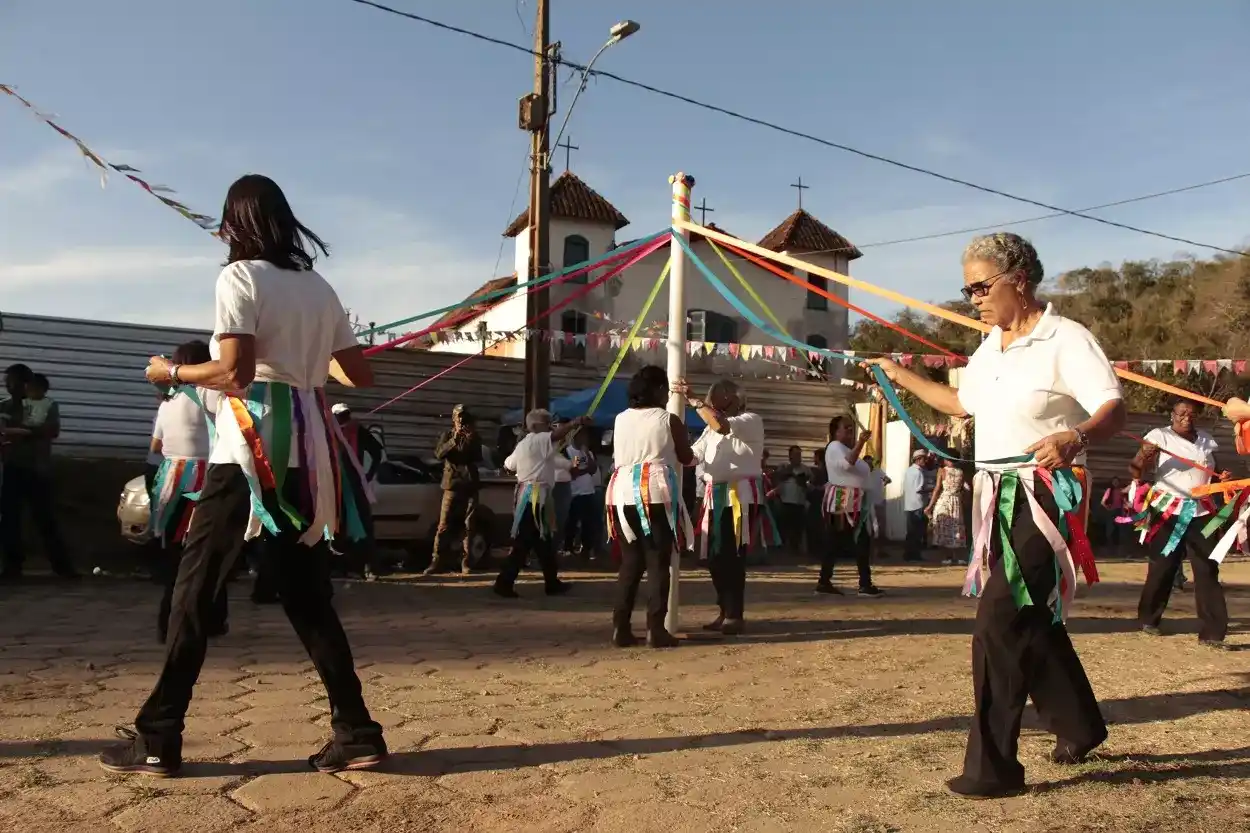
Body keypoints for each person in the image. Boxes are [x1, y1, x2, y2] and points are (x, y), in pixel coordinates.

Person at [99, 174, 385, 778]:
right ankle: (357, 731)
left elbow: (235, 373)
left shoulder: (239, 277)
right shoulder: (319, 287)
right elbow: (359, 375)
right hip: (309, 454)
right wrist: (310, 353)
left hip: (248, 454)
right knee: (307, 597)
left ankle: (157, 736)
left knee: (195, 590)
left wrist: (171, 373)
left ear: (234, 223)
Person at [864, 231, 1124, 799]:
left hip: (1046, 496)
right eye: (968, 289)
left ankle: (993, 769)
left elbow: (1113, 407)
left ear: (1019, 281)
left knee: (999, 621)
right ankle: (1081, 725)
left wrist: (1075, 436)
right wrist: (895, 373)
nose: (973, 298)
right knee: (1029, 614)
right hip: (997, 496)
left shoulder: (1066, 339)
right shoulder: (989, 348)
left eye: (981, 287)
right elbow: (960, 404)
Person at [1128, 400, 1229, 649]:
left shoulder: (1206, 439)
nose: (1187, 417)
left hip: (1201, 511)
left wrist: (1223, 477)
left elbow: (1215, 470)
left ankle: (1213, 632)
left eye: (1192, 414)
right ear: (1172, 415)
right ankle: (1148, 618)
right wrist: (1144, 456)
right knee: (1163, 565)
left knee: (1207, 568)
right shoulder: (1159, 436)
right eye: (1182, 413)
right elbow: (1135, 470)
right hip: (1168, 510)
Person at [676, 379, 773, 635]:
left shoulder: (750, 420)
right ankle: (725, 609)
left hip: (739, 496)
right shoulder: (708, 429)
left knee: (731, 555)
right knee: (714, 557)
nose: (709, 399)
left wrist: (694, 400)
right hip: (714, 495)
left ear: (732, 398)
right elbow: (692, 456)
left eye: (714, 395)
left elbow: (722, 425)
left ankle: (734, 614)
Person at [606, 366, 694, 648]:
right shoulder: (669, 420)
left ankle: (620, 628)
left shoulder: (620, 418)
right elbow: (686, 457)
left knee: (630, 563)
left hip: (621, 493)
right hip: (655, 491)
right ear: (657, 390)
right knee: (657, 563)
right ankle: (656, 629)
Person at [148, 340, 227, 643]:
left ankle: (166, 622)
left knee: (174, 553)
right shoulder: (211, 395)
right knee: (208, 550)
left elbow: (156, 446)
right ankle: (212, 619)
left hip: (170, 477)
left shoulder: (167, 402)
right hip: (205, 477)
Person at [493, 410, 587, 598]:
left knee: (543, 542)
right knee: (525, 542)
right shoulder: (538, 440)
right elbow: (556, 437)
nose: (551, 427)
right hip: (534, 497)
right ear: (536, 426)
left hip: (531, 496)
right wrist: (575, 422)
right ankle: (504, 582)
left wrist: (570, 465)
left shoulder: (526, 445)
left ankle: (551, 582)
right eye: (547, 423)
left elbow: (509, 465)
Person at [0, 363, 76, 580]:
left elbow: (52, 430)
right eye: (7, 382)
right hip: (12, 468)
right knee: (10, 520)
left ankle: (62, 567)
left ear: (26, 383)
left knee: (45, 519)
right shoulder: (5, 406)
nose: (9, 386)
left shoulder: (46, 405)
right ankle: (13, 567)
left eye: (13, 381)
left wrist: (21, 433)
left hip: (37, 469)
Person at [819, 415, 882, 596]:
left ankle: (826, 581)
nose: (850, 430)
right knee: (856, 539)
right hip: (843, 497)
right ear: (835, 431)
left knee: (840, 539)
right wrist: (861, 442)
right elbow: (847, 465)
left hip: (851, 498)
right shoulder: (835, 446)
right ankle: (863, 583)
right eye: (845, 427)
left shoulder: (844, 448)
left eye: (851, 427)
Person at [324, 403, 384, 581]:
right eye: (340, 415)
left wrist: (368, 475)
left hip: (355, 486)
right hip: (334, 486)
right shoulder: (328, 432)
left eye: (346, 414)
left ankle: (368, 568)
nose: (344, 417)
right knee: (336, 527)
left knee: (363, 525)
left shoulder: (357, 431)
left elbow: (376, 452)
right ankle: (338, 567)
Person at [428, 404, 483, 575]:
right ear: (453, 418)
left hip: (469, 484)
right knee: (443, 525)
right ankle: (437, 560)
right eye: (458, 417)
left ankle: (465, 561)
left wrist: (470, 438)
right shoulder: (447, 435)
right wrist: (454, 440)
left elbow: (477, 457)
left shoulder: (474, 436)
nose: (460, 420)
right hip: (451, 485)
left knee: (469, 525)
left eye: (463, 417)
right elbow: (439, 454)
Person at [563, 430, 601, 557]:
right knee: (572, 522)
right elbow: (573, 472)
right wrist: (585, 470)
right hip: (575, 493)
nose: (584, 440)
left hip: (588, 492)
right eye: (582, 437)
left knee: (588, 522)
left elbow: (593, 469)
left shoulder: (587, 452)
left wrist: (587, 454)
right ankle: (568, 546)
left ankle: (587, 547)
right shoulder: (568, 451)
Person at [926, 458, 969, 566]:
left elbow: (937, 489)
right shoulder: (961, 472)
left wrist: (930, 506)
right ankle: (958, 557)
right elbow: (966, 488)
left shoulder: (942, 470)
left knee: (943, 528)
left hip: (945, 500)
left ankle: (947, 557)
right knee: (956, 527)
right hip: (956, 501)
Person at [776, 446, 812, 553]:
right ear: (790, 456)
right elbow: (777, 477)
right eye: (796, 454)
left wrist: (803, 481)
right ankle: (782, 547)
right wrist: (789, 471)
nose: (798, 457)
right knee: (784, 526)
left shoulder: (805, 469)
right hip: (785, 502)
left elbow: (810, 482)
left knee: (798, 527)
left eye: (799, 454)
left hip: (799, 502)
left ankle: (795, 547)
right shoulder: (784, 467)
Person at [902, 450, 928, 562]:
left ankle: (908, 554)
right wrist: (931, 489)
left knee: (911, 532)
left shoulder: (909, 471)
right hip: (917, 504)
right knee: (917, 532)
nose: (925, 461)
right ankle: (914, 555)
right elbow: (919, 489)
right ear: (918, 459)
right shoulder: (918, 472)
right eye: (924, 459)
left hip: (909, 504)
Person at [863, 454, 890, 550]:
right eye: (867, 463)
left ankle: (880, 549)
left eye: (870, 462)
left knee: (880, 526)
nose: (869, 464)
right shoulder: (862, 473)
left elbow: (888, 479)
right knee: (870, 526)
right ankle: (871, 548)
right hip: (868, 503)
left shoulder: (878, 471)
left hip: (879, 501)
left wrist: (884, 483)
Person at [1099, 476, 1127, 551]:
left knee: (1117, 528)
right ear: (1112, 482)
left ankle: (1116, 543)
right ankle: (1108, 543)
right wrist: (1107, 508)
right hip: (1112, 511)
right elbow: (1102, 502)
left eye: (1117, 482)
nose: (1115, 483)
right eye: (1114, 482)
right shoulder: (1109, 490)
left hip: (1119, 511)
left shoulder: (1121, 490)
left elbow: (1124, 501)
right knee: (1110, 527)